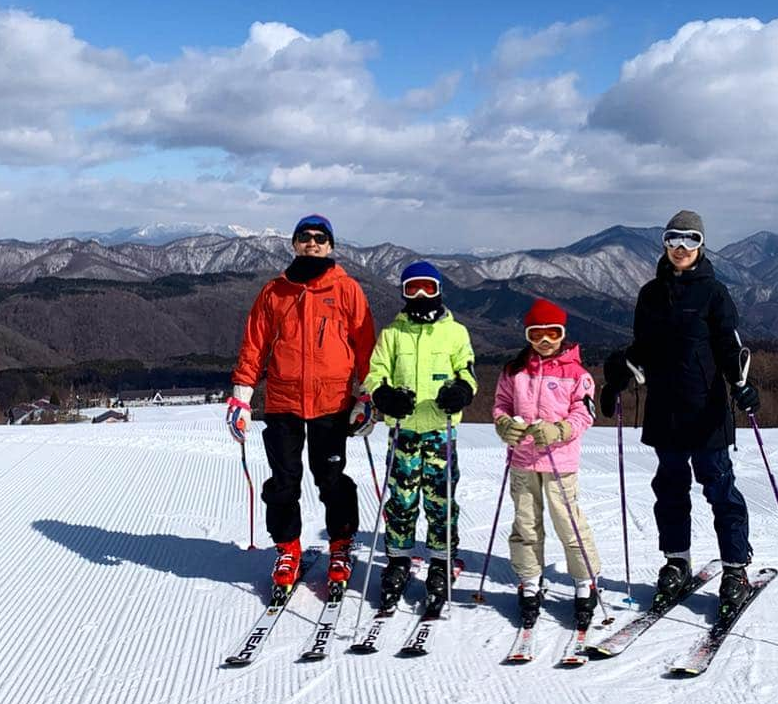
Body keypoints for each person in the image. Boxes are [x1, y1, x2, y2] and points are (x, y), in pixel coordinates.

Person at [600, 209, 760, 617]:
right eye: (673, 239)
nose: (681, 248)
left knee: (720, 489)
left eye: (689, 240)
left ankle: (736, 569)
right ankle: (677, 560)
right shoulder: (650, 295)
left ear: (701, 244)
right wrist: (619, 375)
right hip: (665, 411)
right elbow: (644, 349)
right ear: (664, 243)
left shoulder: (714, 293)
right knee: (670, 491)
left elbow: (730, 347)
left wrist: (741, 386)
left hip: (706, 410)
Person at [225, 214, 376, 591]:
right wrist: (242, 396)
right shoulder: (275, 291)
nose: (312, 243)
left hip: (332, 400)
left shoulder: (346, 289)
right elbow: (254, 344)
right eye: (305, 237)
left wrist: (367, 397)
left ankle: (340, 544)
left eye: (320, 238)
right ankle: (287, 547)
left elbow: (365, 347)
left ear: (330, 245)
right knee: (284, 481)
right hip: (283, 400)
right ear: (294, 244)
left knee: (331, 478)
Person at [362, 261, 477, 607]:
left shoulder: (455, 332)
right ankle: (398, 558)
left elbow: (467, 370)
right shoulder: (392, 334)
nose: (422, 294)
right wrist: (383, 396)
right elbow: (375, 372)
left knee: (440, 500)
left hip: (440, 430)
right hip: (404, 431)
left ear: (440, 290)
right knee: (402, 499)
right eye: (413, 288)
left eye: (428, 287)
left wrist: (462, 390)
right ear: (403, 292)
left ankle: (440, 562)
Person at [493, 298, 600, 630]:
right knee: (525, 524)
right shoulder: (515, 371)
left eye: (552, 333)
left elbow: (585, 414)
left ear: (562, 334)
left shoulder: (576, 374)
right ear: (527, 334)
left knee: (568, 523)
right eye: (537, 333)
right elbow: (500, 405)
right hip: (523, 461)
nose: (544, 340)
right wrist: (504, 425)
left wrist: (560, 429)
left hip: (560, 462)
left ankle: (584, 584)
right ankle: (530, 582)